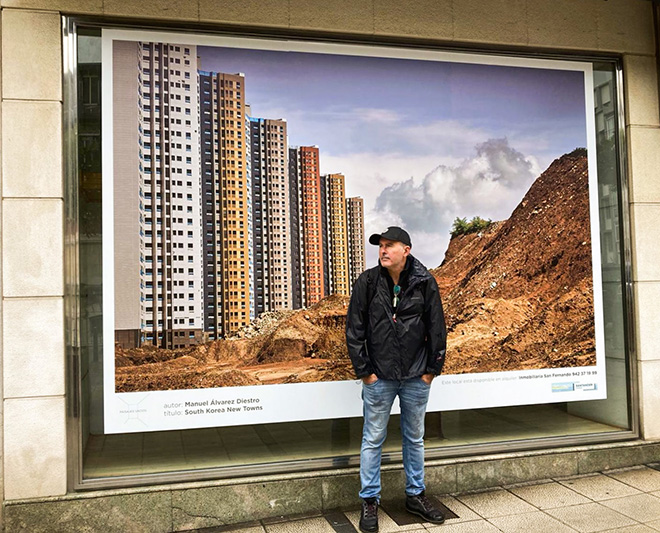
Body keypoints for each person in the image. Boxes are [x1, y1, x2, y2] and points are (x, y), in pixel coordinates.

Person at [346, 226, 447, 533]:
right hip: (380, 377)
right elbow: (354, 330)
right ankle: (369, 501)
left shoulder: (425, 281)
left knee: (414, 439)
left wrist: (431, 371)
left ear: (407, 249)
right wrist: (366, 373)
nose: (383, 250)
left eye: (390, 245)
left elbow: (437, 327)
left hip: (417, 376)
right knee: (372, 439)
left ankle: (415, 496)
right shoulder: (367, 282)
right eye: (381, 246)